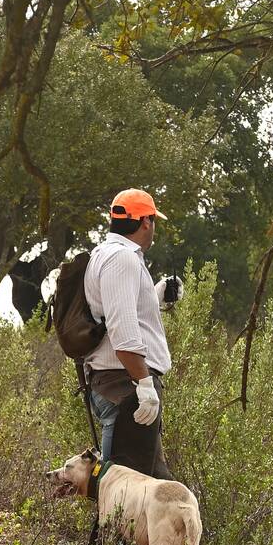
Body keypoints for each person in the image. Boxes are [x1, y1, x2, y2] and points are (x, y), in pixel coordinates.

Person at [83, 188, 180, 479]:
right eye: (153, 222)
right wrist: (145, 386)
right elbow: (122, 331)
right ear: (146, 222)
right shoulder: (122, 259)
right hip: (127, 387)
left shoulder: (105, 254)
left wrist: (157, 295)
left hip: (122, 384)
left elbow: (120, 312)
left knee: (156, 488)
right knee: (125, 496)